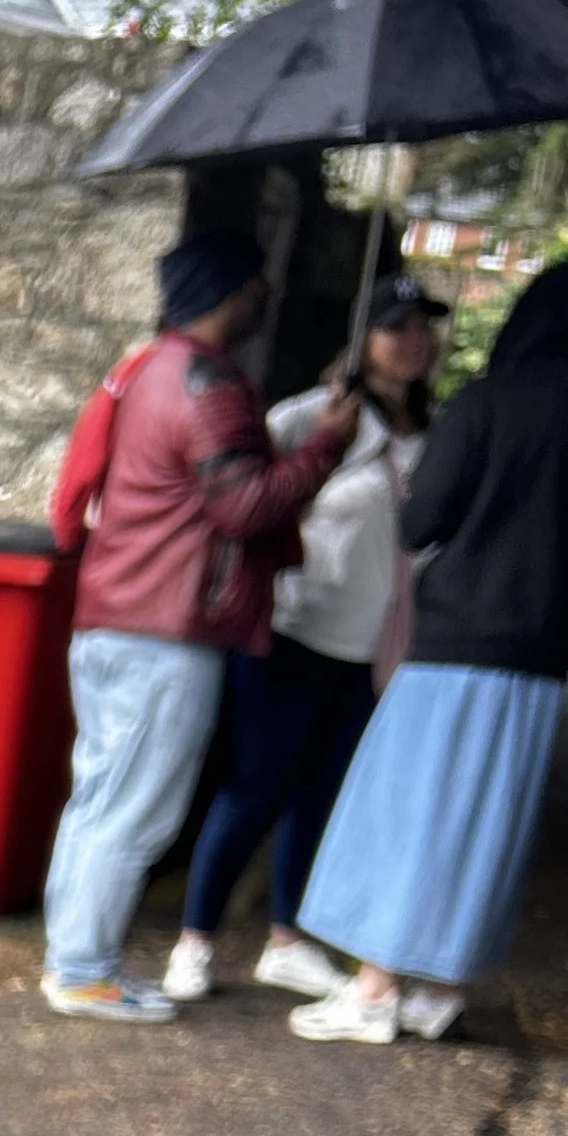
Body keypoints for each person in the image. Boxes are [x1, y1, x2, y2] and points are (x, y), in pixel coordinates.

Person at [39, 228, 359, 1024]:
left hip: (116, 616)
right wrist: (327, 446)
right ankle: (83, 972)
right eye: (260, 282)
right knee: (133, 810)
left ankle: (75, 959)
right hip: (166, 629)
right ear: (234, 291)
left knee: (101, 797)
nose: (270, 297)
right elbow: (244, 506)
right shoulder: (208, 385)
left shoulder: (150, 369)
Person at [285, 263, 568, 1042]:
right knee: (489, 821)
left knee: (412, 808)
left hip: (457, 641)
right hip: (544, 654)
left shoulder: (486, 403)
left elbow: (422, 525)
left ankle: (374, 988)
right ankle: (442, 989)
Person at [162, 276, 446, 1005]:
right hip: (296, 631)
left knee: (324, 796)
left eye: (423, 326)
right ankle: (196, 939)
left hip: (378, 652)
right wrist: (329, 446)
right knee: (254, 788)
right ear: (362, 339)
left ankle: (287, 938)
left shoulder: (436, 434)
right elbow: (251, 503)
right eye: (395, 327)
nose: (413, 341)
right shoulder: (310, 418)